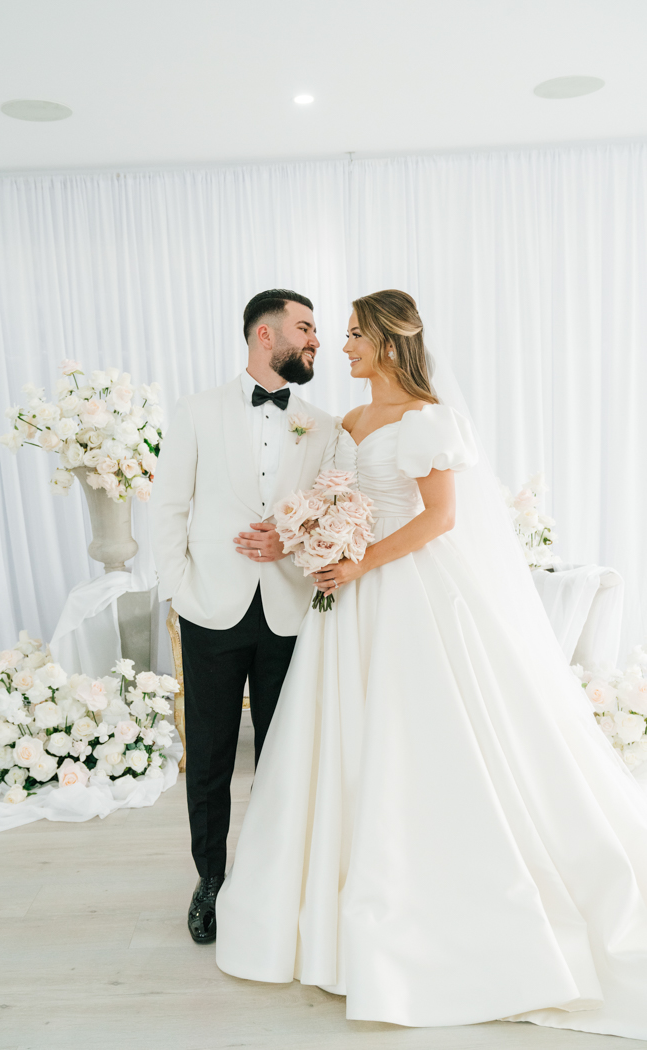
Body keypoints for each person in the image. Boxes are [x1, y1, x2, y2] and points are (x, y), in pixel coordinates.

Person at [216, 289, 647, 1041]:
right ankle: (326, 902)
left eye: (354, 336)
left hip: (404, 593)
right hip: (344, 604)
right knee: (341, 745)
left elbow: (440, 518)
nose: (342, 348)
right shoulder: (347, 421)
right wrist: (295, 538)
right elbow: (328, 498)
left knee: (415, 742)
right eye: (340, 335)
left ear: (388, 342)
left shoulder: (428, 420)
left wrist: (358, 564)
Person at [151, 289, 338, 944]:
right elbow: (169, 507)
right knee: (207, 754)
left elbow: (328, 515)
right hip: (211, 608)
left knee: (282, 756)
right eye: (306, 327)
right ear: (265, 334)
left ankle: (268, 880)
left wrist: (290, 543)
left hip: (290, 609)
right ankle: (210, 879)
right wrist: (179, 592)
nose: (317, 339)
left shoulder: (325, 425)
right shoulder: (196, 411)